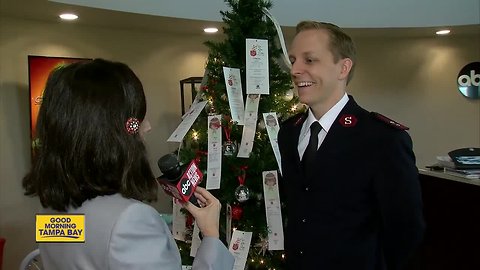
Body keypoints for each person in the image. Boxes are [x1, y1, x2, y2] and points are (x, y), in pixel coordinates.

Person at [22, 59, 234, 270]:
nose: (147, 126)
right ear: (117, 131)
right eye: (138, 118)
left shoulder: (50, 211)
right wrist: (211, 236)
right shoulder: (130, 220)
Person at [278, 21, 425, 270]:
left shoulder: (381, 138)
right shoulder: (288, 132)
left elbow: (407, 228)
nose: (295, 70)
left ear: (343, 67)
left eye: (310, 60)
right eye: (293, 60)